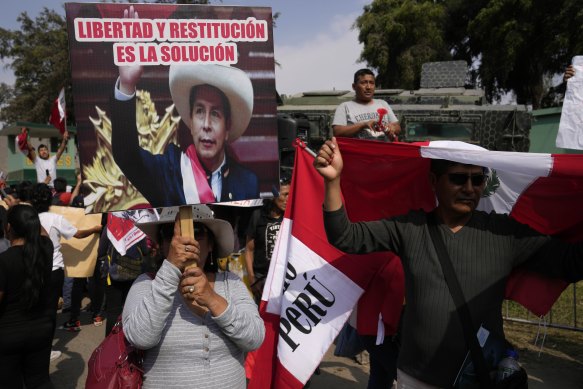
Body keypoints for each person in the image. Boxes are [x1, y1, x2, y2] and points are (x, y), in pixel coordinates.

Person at [314, 137, 583, 388]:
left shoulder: (506, 233)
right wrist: (333, 181)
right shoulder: (410, 228)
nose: (469, 188)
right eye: (458, 179)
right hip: (415, 377)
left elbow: (571, 263)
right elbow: (346, 237)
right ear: (434, 181)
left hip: (481, 375)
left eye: (478, 180)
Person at [111, 6, 259, 208]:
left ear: (227, 127)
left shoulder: (248, 183)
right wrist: (127, 85)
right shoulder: (168, 172)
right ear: (190, 121)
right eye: (199, 111)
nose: (206, 124)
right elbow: (126, 155)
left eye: (215, 114)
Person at [122, 205, 264, 388]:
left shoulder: (231, 283)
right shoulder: (146, 284)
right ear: (162, 244)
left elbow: (254, 338)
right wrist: (171, 269)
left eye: (197, 232)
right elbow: (140, 337)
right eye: (169, 233)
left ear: (211, 243)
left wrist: (212, 298)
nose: (185, 241)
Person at [30, 183, 102, 333]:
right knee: (50, 308)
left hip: (32, 268)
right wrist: (95, 229)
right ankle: (46, 344)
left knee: (35, 306)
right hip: (54, 269)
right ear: (50, 198)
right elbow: (78, 234)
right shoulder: (55, 218)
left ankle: (36, 336)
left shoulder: (28, 217)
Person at [0, 205, 55, 388]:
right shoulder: (46, 250)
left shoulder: (4, 261)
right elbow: (43, 233)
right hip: (42, 330)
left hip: (9, 335)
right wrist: (30, 214)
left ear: (9, 228)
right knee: (39, 381)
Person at [245, 177, 290, 301]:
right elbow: (249, 250)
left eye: (290, 195)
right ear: (273, 195)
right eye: (285, 195)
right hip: (262, 280)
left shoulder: (292, 217)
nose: (288, 199)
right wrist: (252, 279)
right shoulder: (258, 216)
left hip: (286, 279)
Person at [332, 69, 401, 142]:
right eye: (363, 83)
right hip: (359, 152)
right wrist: (363, 125)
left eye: (371, 83)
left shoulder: (383, 104)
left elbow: (398, 128)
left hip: (384, 151)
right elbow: (337, 132)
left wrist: (392, 128)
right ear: (354, 86)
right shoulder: (344, 106)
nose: (368, 87)